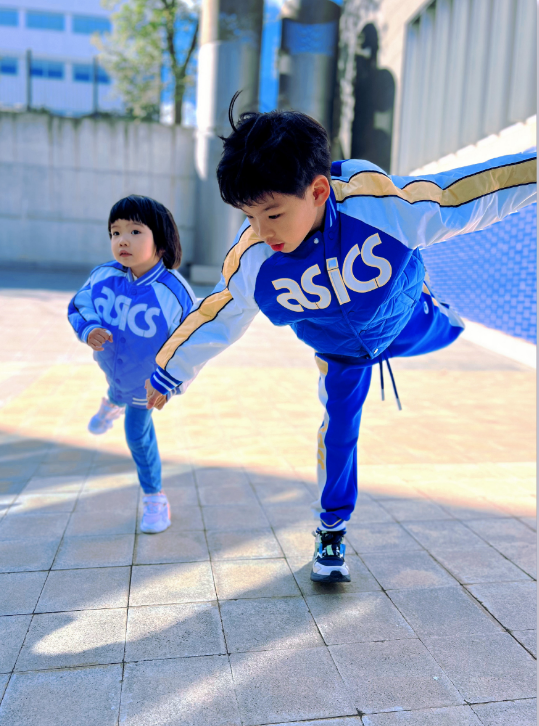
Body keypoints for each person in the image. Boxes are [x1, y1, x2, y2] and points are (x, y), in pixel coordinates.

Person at [146, 99, 536, 581]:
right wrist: (172, 367)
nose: (263, 232)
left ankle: (436, 308)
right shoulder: (256, 261)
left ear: (317, 190)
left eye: (273, 214)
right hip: (341, 354)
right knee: (338, 432)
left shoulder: (382, 210)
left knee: (448, 330)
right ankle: (332, 531)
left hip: (405, 317)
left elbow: (470, 194)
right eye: (250, 218)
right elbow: (220, 311)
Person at [68, 195, 196, 534]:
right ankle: (111, 403)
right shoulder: (104, 276)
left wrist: (171, 385)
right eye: (115, 232)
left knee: (137, 435)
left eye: (135, 231)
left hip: (146, 384)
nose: (122, 239)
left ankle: (155, 498)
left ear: (162, 242)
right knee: (115, 386)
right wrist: (89, 328)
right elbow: (80, 304)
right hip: (112, 369)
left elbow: (190, 346)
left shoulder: (174, 293)